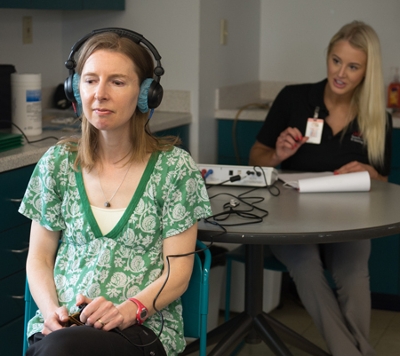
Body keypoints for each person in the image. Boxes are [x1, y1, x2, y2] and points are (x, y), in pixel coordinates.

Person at [19, 28, 212, 356]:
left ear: (146, 93)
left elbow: (178, 273)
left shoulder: (175, 169)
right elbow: (38, 257)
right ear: (76, 91)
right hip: (62, 327)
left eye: (117, 82)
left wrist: (127, 310)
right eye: (90, 80)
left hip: (141, 327)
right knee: (62, 346)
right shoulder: (57, 163)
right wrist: (52, 311)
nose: (100, 94)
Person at [249, 21, 392, 356]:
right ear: (327, 57)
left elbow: (384, 181)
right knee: (306, 268)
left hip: (350, 221)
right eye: (335, 60)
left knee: (354, 272)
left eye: (353, 66)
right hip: (291, 219)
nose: (340, 73)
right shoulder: (294, 98)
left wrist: (370, 171)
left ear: (367, 72)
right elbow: (257, 157)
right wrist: (278, 154)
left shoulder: (376, 117)